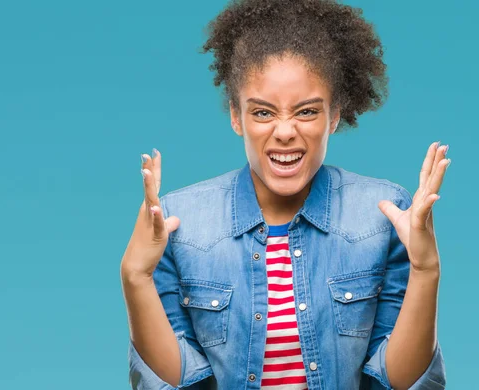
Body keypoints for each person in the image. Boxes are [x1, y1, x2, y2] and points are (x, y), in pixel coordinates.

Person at [120, 0, 448, 389]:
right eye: (262, 113)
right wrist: (135, 276)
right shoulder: (181, 221)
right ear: (236, 117)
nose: (285, 131)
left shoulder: (383, 215)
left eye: (307, 112)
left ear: (335, 115)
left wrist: (426, 272)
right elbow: (179, 383)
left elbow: (398, 383)